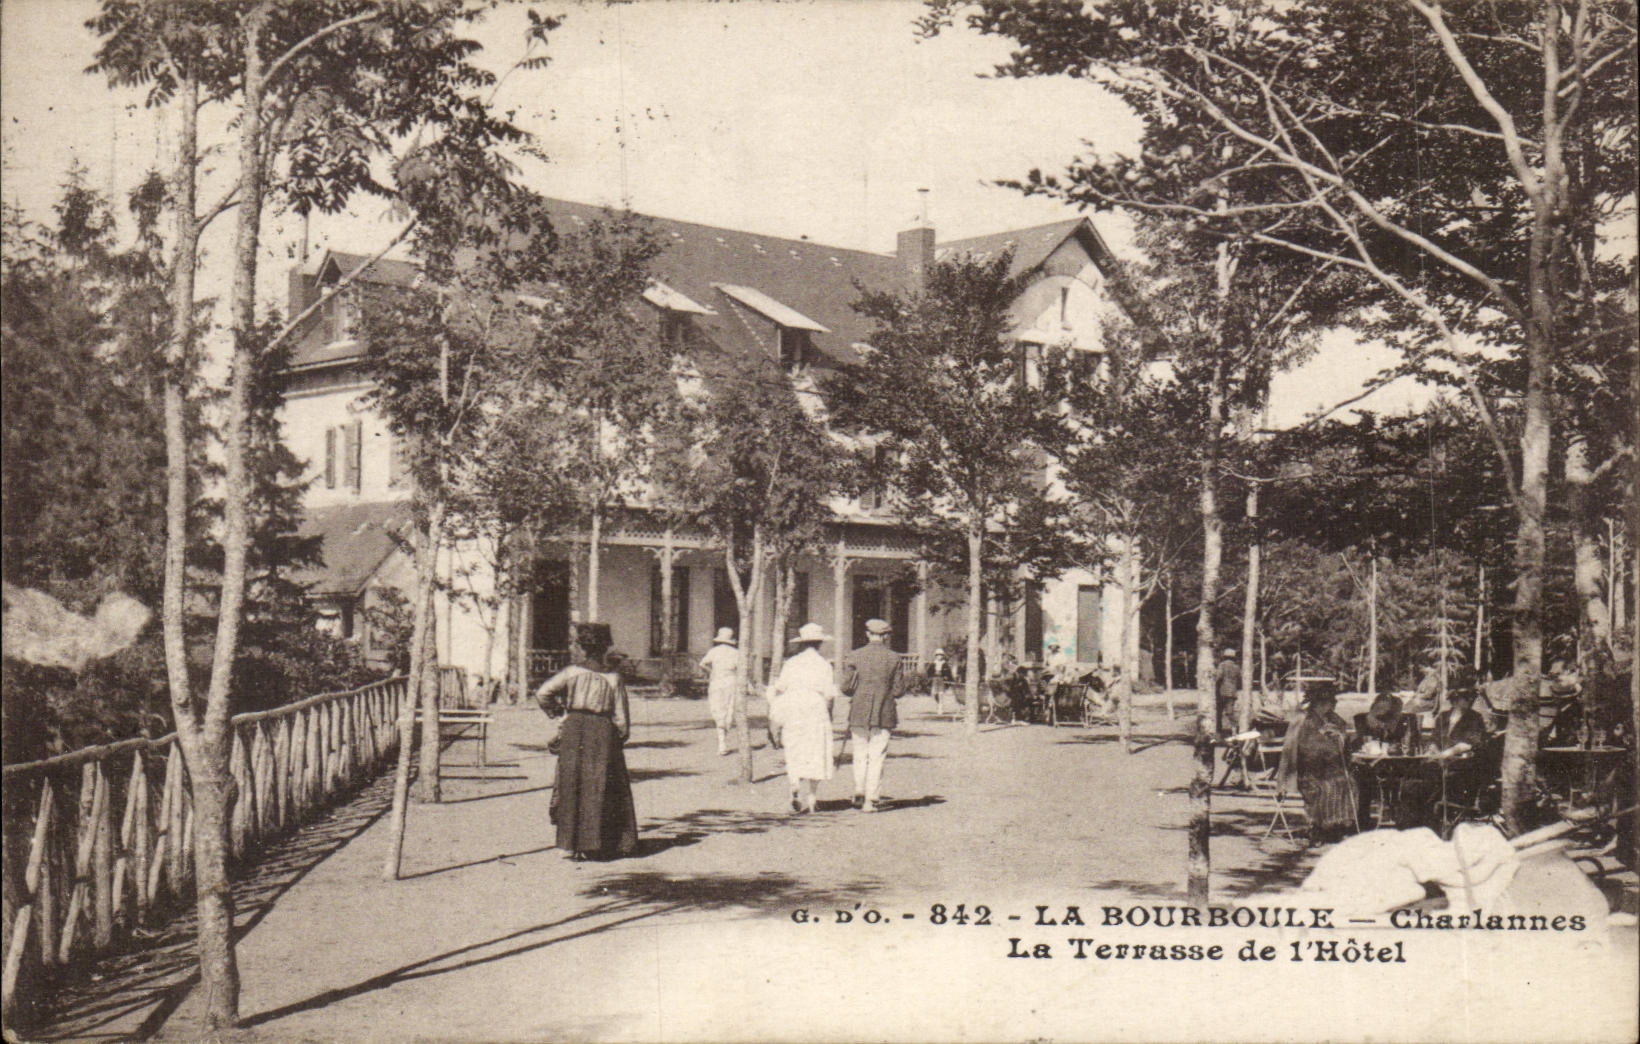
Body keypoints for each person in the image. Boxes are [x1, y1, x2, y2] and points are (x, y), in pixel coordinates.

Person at [534, 623, 638, 861]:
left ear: (582, 648)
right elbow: (621, 718)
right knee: (600, 784)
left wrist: (560, 714)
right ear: (604, 649)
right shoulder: (613, 678)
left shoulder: (571, 673)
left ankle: (568, 845)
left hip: (574, 729)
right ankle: (597, 844)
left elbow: (542, 693)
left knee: (571, 782)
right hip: (603, 732)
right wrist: (619, 738)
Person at [767, 622, 840, 814]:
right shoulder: (824, 664)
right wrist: (829, 714)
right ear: (819, 643)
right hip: (816, 706)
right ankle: (813, 797)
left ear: (801, 643)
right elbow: (829, 694)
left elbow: (780, 688)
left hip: (794, 705)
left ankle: (794, 786)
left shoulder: (791, 663)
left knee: (794, 746)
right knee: (816, 749)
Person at [1277, 681, 1358, 844]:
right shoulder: (1303, 720)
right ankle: (1318, 828)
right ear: (1316, 703)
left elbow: (1345, 744)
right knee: (1323, 787)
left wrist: (1339, 737)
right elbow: (1300, 749)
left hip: (1332, 769)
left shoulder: (1335, 720)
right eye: (1325, 703)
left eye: (1330, 703)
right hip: (1308, 770)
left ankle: (1337, 826)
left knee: (1350, 782)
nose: (1329, 706)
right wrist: (1323, 742)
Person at [841, 618, 907, 813]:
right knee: (877, 756)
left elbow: (845, 687)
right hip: (884, 712)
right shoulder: (894, 658)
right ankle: (871, 799)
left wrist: (858, 692)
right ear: (886, 636)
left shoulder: (855, 656)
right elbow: (899, 690)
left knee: (860, 753)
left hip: (859, 711)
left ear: (868, 634)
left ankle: (859, 790)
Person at [698, 626, 741, 755]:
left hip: (717, 680)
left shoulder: (714, 651)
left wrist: (712, 672)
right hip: (731, 681)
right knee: (729, 709)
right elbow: (740, 670)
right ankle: (723, 742)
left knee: (718, 708)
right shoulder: (736, 652)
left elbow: (702, 664)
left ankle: (722, 742)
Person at [1215, 648, 1241, 736]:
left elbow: (1218, 677)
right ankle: (1235, 729)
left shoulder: (1222, 665)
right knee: (1230, 712)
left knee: (1218, 712)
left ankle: (1218, 731)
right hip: (1232, 693)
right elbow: (1240, 680)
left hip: (1221, 692)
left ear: (1225, 656)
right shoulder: (1236, 667)